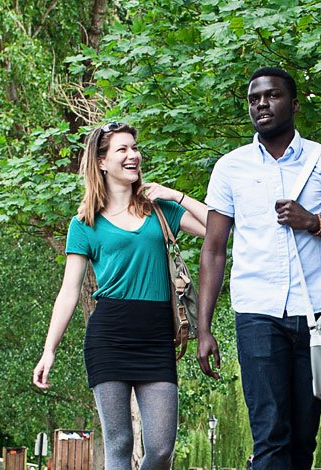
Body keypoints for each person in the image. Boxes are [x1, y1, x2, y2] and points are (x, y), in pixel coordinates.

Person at [195, 67, 321, 470]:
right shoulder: (230, 167)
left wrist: (314, 222)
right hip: (257, 314)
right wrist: (204, 328)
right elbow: (214, 250)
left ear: (293, 104)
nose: (261, 104)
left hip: (316, 318)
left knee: (303, 440)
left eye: (272, 96)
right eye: (254, 98)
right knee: (271, 436)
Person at [32, 122, 210, 470]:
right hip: (109, 337)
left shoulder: (160, 210)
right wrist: (48, 350)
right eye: (122, 150)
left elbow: (217, 230)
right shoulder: (85, 223)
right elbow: (69, 292)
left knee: (160, 447)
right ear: (101, 162)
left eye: (134, 148)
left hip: (156, 337)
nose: (133, 155)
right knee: (119, 443)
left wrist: (176, 195)